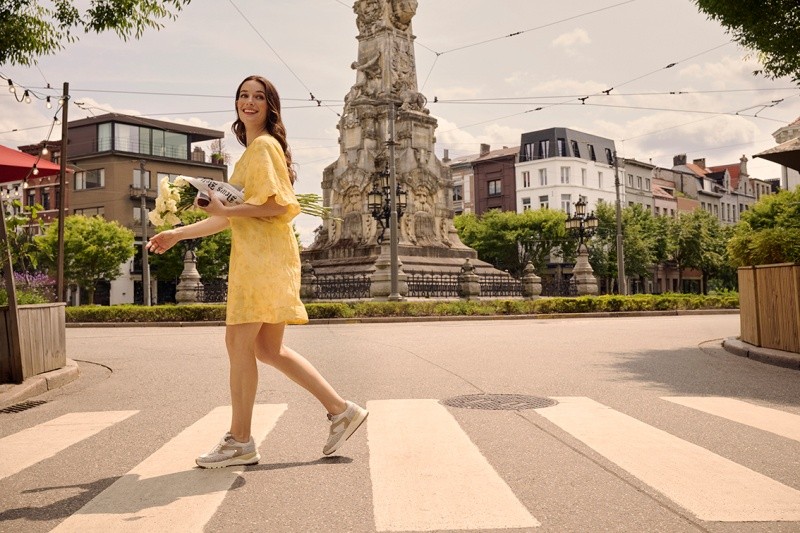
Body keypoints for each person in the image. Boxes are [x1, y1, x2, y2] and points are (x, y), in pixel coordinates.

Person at [147, 75, 368, 469]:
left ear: (270, 106)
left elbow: (280, 206)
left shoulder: (264, 146)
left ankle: (240, 441)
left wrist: (228, 209)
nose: (249, 102)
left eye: (258, 97)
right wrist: (178, 234)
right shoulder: (254, 152)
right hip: (266, 257)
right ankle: (342, 410)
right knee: (267, 349)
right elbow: (229, 217)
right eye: (243, 96)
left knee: (238, 344)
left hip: (262, 261)